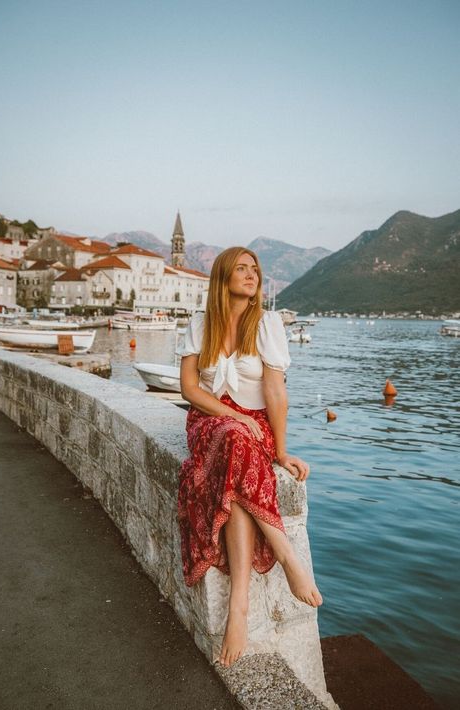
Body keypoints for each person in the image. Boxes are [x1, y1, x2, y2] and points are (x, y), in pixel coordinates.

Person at [178, 246, 323, 669]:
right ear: (223, 278)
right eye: (241, 269)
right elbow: (190, 390)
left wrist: (280, 450)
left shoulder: (268, 323)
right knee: (235, 437)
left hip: (255, 427)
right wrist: (232, 417)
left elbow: (276, 392)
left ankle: (237, 606)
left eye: (254, 269)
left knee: (234, 479)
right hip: (209, 419)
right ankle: (286, 554)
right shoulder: (200, 323)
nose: (250, 275)